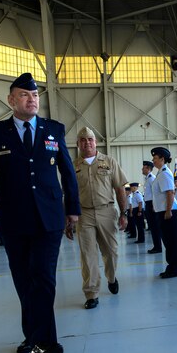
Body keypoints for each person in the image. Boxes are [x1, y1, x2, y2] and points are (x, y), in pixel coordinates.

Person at [0, 72, 80, 353]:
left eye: (35, 96)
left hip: (50, 218)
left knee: (43, 276)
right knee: (23, 280)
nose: (32, 100)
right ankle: (32, 335)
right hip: (13, 218)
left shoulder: (53, 129)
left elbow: (68, 172)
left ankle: (44, 343)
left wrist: (73, 208)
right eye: (24, 95)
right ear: (11, 100)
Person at [73, 127, 128, 309]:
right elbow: (69, 194)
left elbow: (120, 188)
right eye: (83, 140)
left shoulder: (109, 162)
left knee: (111, 252)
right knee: (87, 255)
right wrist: (68, 219)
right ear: (78, 144)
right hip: (84, 214)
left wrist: (124, 213)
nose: (86, 142)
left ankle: (111, 278)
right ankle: (91, 294)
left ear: (95, 142)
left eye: (90, 139)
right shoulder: (74, 166)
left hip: (107, 211)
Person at [150, 147, 177, 278]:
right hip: (163, 211)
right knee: (168, 242)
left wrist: (168, 211)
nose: (153, 160)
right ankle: (171, 267)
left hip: (168, 212)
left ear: (162, 159)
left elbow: (170, 193)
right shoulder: (160, 173)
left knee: (171, 242)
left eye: (155, 158)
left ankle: (174, 270)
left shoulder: (164, 173)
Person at [142, 160, 162, 254]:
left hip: (152, 204)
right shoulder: (147, 179)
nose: (142, 169)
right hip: (148, 204)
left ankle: (158, 247)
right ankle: (156, 246)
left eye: (143, 167)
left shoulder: (151, 178)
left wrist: (154, 205)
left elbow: (155, 193)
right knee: (152, 226)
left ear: (148, 168)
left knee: (155, 227)